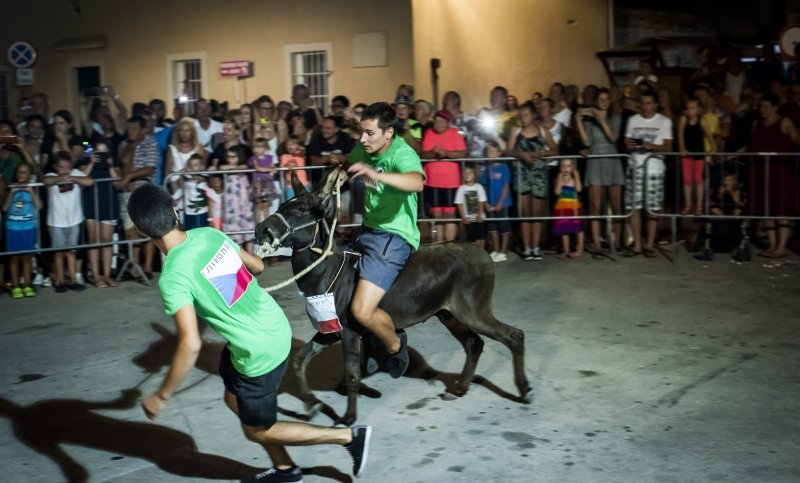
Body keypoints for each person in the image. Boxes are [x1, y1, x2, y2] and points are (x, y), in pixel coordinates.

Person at [126, 184, 371, 483]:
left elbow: (190, 344)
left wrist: (162, 396)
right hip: (266, 331)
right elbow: (257, 266)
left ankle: (348, 437)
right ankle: (285, 469)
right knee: (233, 399)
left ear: (141, 230)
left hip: (258, 351)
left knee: (257, 429)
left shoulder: (173, 277)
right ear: (176, 212)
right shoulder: (208, 234)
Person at [347, 102, 425, 379]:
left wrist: (376, 174)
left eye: (369, 133)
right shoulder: (365, 148)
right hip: (367, 229)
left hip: (393, 235)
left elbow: (417, 182)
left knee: (360, 310)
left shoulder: (402, 153)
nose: (362, 139)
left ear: (389, 133)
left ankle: (395, 345)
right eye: (361, 132)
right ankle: (368, 343)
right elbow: (349, 161)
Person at [748, 92, 800, 258]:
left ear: (775, 107)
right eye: (761, 106)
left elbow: (796, 139)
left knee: (782, 210)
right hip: (761, 170)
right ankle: (772, 244)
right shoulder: (758, 123)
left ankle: (781, 246)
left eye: (766, 107)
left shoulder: (785, 122)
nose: (762, 110)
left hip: (781, 171)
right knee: (767, 209)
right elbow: (751, 145)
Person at [575, 88, 624, 258]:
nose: (603, 102)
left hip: (612, 162)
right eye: (600, 99)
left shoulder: (615, 117)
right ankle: (597, 245)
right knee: (595, 207)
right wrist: (579, 122)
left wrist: (602, 119)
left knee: (616, 205)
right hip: (595, 163)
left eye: (606, 99)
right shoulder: (590, 121)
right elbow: (586, 141)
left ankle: (617, 242)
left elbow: (613, 138)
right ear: (595, 101)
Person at [623, 90, 673, 258]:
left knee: (652, 208)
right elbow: (626, 141)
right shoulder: (632, 120)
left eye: (648, 103)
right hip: (634, 167)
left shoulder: (664, 121)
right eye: (642, 103)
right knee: (634, 207)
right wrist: (629, 145)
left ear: (655, 104)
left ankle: (650, 244)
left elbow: (669, 147)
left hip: (654, 169)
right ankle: (637, 245)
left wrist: (653, 147)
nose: (644, 107)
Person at [506, 101, 558, 260]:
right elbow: (507, 150)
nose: (523, 117)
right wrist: (521, 154)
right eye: (521, 115)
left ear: (533, 115)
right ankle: (527, 248)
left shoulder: (542, 131)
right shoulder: (515, 131)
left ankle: (536, 247)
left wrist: (541, 154)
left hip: (538, 176)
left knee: (536, 213)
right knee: (525, 213)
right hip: (522, 176)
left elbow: (555, 150)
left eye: (526, 114)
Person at [43, 151, 95, 292]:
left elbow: (90, 181)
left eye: (67, 166)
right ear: (55, 166)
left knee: (71, 251)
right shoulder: (51, 176)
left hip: (73, 220)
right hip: (56, 222)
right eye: (61, 167)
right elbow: (46, 181)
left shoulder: (76, 173)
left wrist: (71, 177)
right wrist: (61, 178)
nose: (65, 170)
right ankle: (60, 282)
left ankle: (72, 280)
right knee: (59, 253)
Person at [117, 115, 159, 281]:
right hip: (126, 194)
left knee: (148, 229)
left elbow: (150, 169)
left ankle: (147, 267)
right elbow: (121, 166)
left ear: (143, 129)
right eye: (128, 128)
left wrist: (129, 176)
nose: (130, 131)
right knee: (131, 231)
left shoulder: (151, 143)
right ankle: (134, 266)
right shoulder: (123, 145)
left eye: (134, 128)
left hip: (145, 191)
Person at [78, 141, 120, 288]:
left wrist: (110, 165)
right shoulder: (85, 161)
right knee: (93, 240)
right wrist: (91, 162)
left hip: (108, 203)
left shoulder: (112, 164)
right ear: (93, 152)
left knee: (106, 240)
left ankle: (107, 275)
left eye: (105, 150)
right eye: (98, 151)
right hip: (91, 203)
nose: (101, 154)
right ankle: (96, 275)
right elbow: (82, 178)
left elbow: (117, 182)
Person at [421, 110, 467, 242]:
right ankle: (439, 247)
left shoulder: (454, 133)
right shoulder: (429, 133)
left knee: (450, 216)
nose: (439, 123)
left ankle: (449, 247)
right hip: (432, 182)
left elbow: (463, 153)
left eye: (442, 121)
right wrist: (433, 153)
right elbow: (424, 154)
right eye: (437, 120)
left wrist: (446, 153)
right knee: (437, 216)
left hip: (450, 182)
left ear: (448, 123)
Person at [3, 162, 41, 298]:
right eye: (20, 172)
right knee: (14, 258)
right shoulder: (11, 188)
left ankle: (27, 285)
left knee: (27, 258)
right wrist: (11, 194)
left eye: (25, 172)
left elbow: (39, 205)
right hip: (13, 227)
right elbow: (5, 208)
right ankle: (15, 286)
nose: (21, 175)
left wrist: (31, 191)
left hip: (28, 227)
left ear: (29, 176)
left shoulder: (31, 189)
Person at [677, 98, 715, 215]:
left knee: (698, 179)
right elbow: (680, 134)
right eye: (688, 108)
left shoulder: (702, 120)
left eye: (693, 108)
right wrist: (682, 149)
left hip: (699, 154)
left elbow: (709, 135)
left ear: (698, 109)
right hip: (687, 154)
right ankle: (688, 205)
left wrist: (713, 148)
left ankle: (699, 206)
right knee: (687, 179)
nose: (690, 111)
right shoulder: (683, 119)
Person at [481, 141, 512, 262]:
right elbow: (484, 185)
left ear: (499, 153)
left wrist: (500, 203)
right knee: (492, 227)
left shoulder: (504, 167)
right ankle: (496, 249)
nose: (491, 154)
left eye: (493, 152)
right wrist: (485, 203)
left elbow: (506, 186)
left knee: (503, 226)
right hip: (490, 202)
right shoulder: (487, 168)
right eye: (489, 152)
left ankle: (504, 251)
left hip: (503, 203)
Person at [220, 145, 255, 252]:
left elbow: (243, 167)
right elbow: (221, 168)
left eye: (233, 157)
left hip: (243, 206)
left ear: (240, 157)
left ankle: (251, 258)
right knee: (235, 235)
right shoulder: (227, 169)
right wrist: (231, 167)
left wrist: (232, 168)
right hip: (232, 208)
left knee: (248, 234)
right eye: (228, 157)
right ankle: (242, 262)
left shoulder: (243, 168)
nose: (229, 159)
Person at [171, 153, 220, 231]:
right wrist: (182, 173)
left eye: (196, 165)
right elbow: (178, 185)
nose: (194, 168)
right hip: (188, 212)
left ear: (201, 166)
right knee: (190, 232)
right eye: (192, 165)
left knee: (202, 231)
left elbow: (206, 178)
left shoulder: (204, 176)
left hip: (202, 212)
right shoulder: (186, 178)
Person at [553, 159, 584, 258]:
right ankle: (566, 250)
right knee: (564, 229)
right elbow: (557, 192)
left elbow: (579, 189)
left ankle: (579, 250)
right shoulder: (560, 179)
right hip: (562, 209)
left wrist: (577, 175)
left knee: (578, 229)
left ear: (572, 168)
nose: (565, 168)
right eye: (563, 166)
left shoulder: (573, 180)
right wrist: (559, 179)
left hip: (573, 208)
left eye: (568, 166)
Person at [249, 137, 280, 226]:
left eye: (259, 147)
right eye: (255, 147)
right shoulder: (254, 158)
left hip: (267, 182)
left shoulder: (269, 157)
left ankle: (267, 224)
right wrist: (269, 169)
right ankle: (258, 224)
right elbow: (257, 168)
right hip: (258, 183)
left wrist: (274, 168)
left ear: (265, 148)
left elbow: (273, 166)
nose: (256, 149)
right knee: (258, 204)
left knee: (266, 204)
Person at [454, 164, 487, 249]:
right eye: (465, 172)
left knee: (481, 238)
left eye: (470, 172)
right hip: (469, 219)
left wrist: (479, 214)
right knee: (473, 240)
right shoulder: (461, 189)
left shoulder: (479, 187)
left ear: (475, 175)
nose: (467, 174)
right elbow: (459, 204)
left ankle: (482, 256)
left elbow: (481, 201)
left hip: (479, 218)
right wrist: (464, 217)